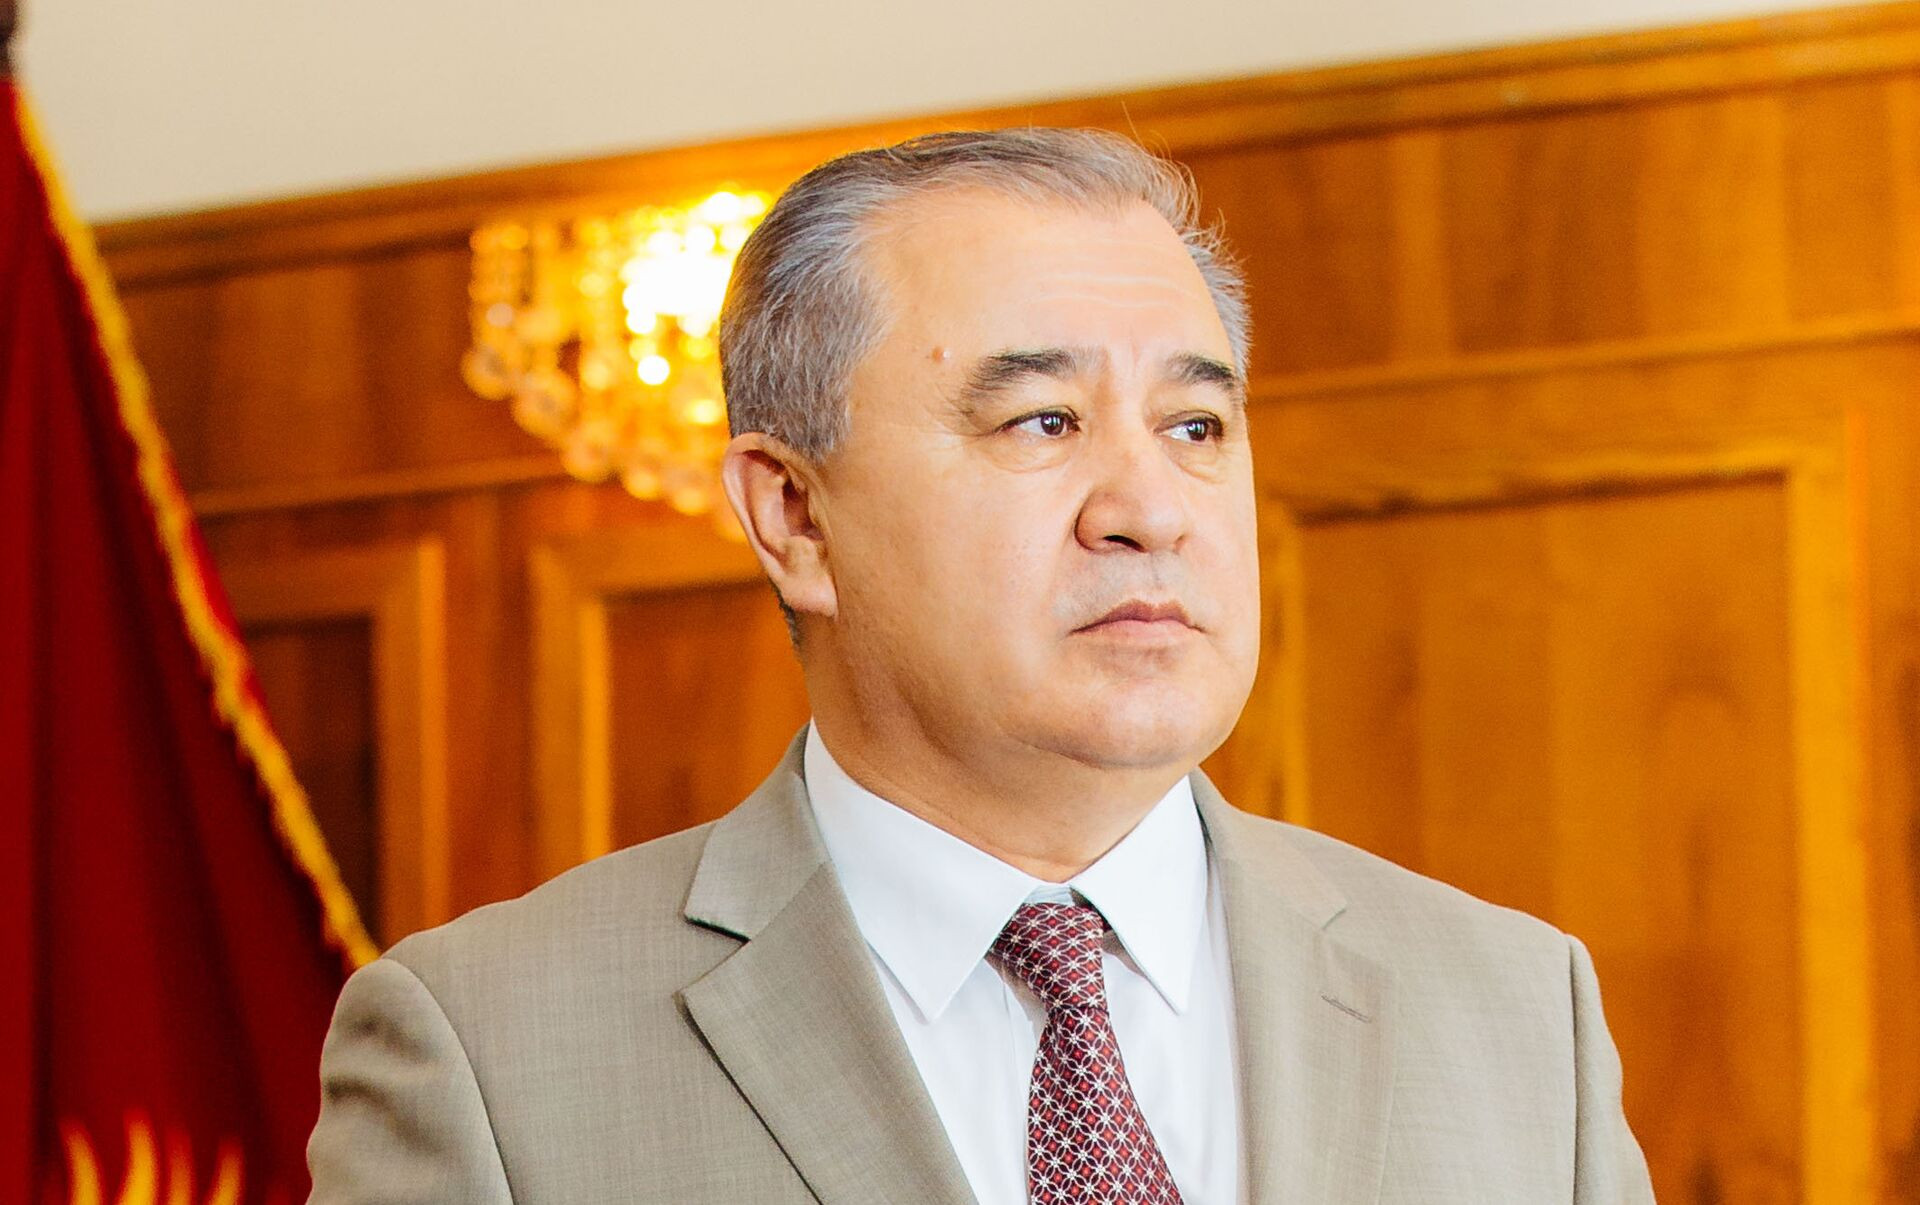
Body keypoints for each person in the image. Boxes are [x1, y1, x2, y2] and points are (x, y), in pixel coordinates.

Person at [306, 128, 1655, 1204]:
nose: (1152, 508)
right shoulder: (487, 1054)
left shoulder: (1513, 1007)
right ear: (795, 515)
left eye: (1196, 425)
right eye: (1043, 420)